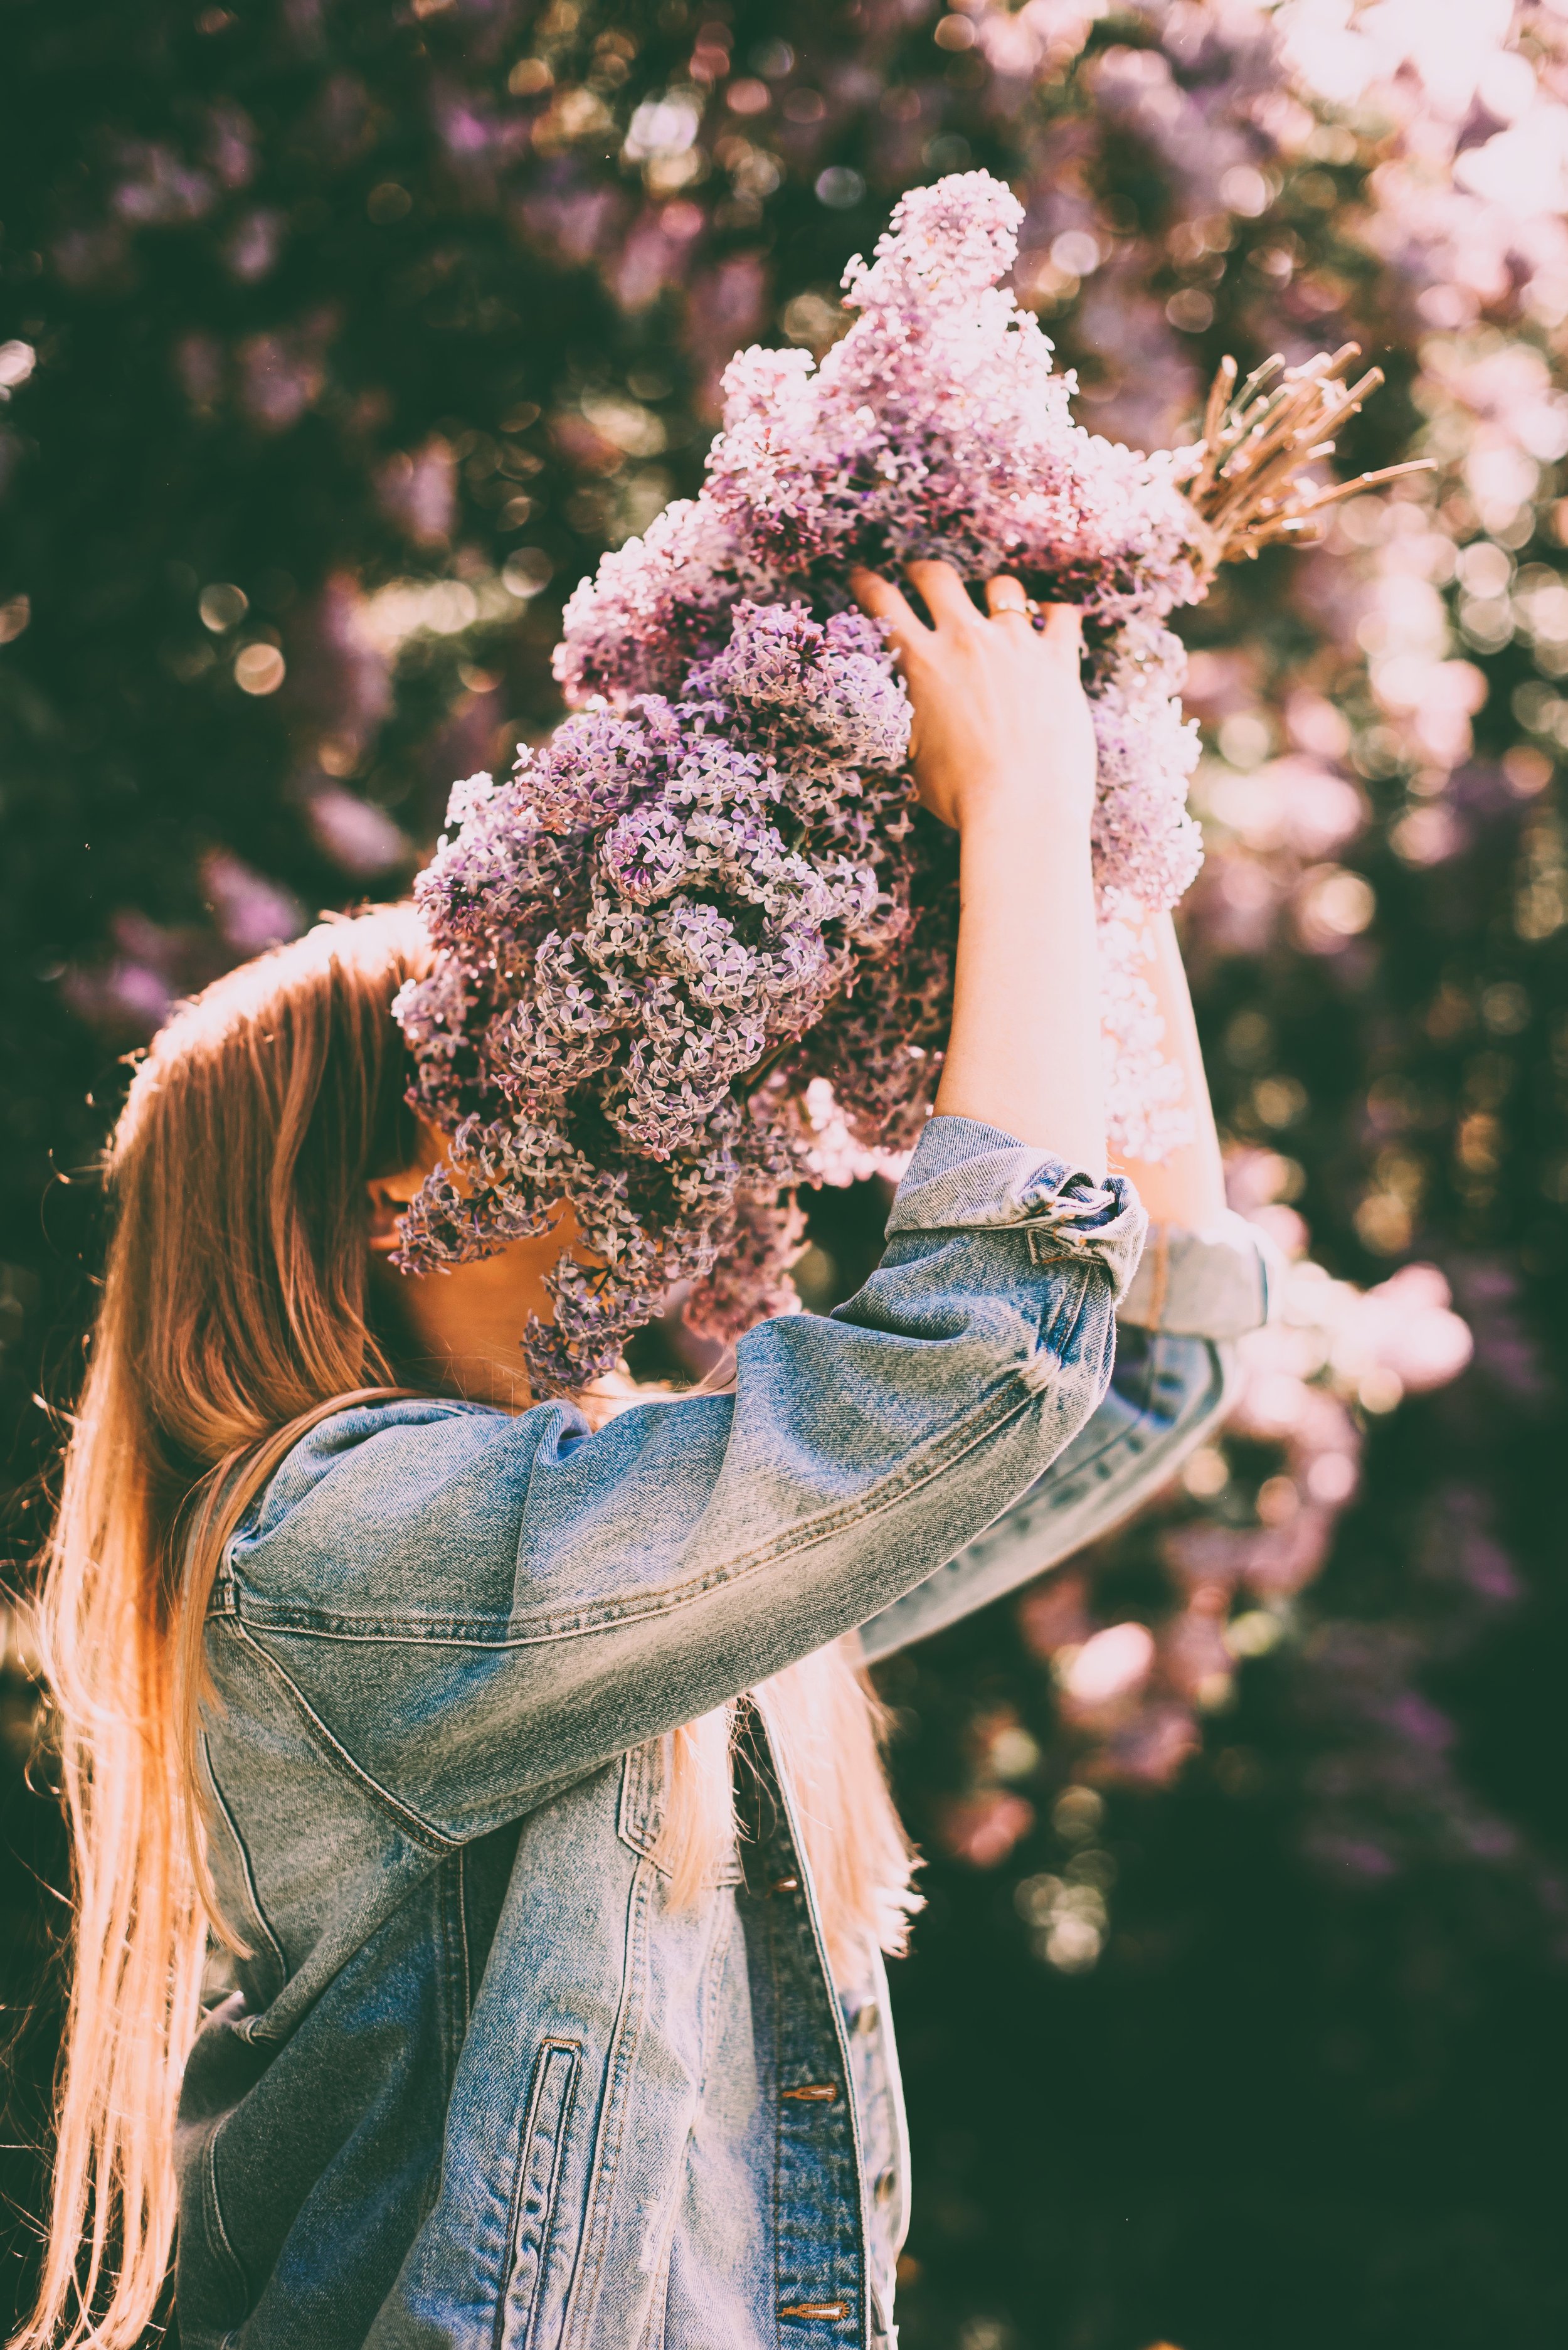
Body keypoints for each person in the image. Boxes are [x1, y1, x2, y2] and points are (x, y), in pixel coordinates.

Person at [22, 565, 1271, 2350]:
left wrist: (1091, 835)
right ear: (393, 1186)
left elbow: (1135, 1349)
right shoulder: (334, 1551)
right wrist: (1022, 803)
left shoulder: (618, 1533)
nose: (615, 1067)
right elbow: (980, 1357)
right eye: (512, 1058)